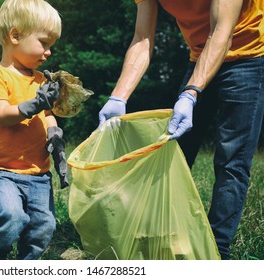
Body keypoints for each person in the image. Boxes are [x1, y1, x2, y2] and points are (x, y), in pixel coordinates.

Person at [99, 0, 263, 260]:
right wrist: (118, 97)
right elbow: (142, 38)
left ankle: (217, 253)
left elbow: (222, 30)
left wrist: (191, 92)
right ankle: (161, 237)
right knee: (173, 154)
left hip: (248, 56)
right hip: (199, 56)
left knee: (232, 160)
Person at [0, 0, 68, 260]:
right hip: (4, 170)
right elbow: (3, 115)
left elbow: (47, 116)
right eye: (44, 42)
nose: (48, 52)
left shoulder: (41, 80)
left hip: (39, 173)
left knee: (43, 226)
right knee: (11, 217)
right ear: (15, 35)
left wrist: (55, 135)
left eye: (51, 45)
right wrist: (37, 102)